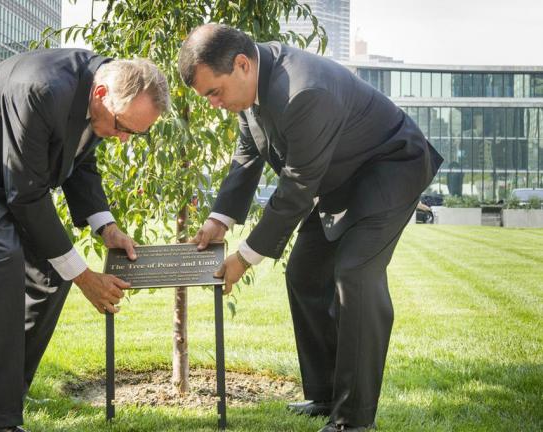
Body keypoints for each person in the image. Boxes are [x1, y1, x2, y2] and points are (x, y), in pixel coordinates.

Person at [178, 24, 442, 432]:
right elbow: (247, 156)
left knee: (355, 275)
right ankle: (324, 394)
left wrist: (244, 258)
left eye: (214, 92)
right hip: (343, 179)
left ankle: (352, 421)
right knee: (304, 272)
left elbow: (297, 187)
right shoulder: (252, 91)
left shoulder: (303, 91)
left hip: (391, 167)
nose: (213, 103)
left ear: (242, 65)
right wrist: (219, 220)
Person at [0, 48, 169, 432]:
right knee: (3, 256)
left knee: (49, 275)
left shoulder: (97, 94)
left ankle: (0, 399)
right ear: (101, 94)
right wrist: (84, 277)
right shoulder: (42, 88)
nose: (123, 139)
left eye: (134, 134)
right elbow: (26, 196)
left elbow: (79, 161)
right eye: (123, 126)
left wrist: (106, 227)